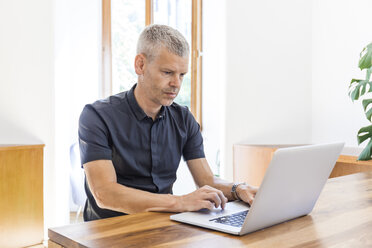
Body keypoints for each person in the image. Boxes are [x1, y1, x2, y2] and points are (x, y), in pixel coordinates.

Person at [79, 24, 258, 221]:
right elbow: (105, 194)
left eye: (182, 75)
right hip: (108, 230)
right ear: (140, 65)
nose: (176, 84)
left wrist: (238, 189)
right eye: (167, 72)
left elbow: (207, 180)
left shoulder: (184, 119)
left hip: (163, 226)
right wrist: (180, 202)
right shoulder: (96, 116)